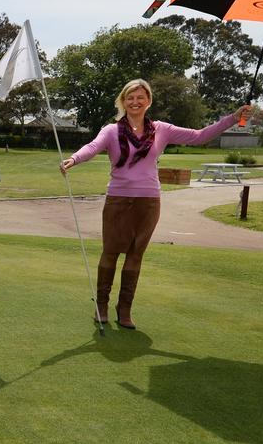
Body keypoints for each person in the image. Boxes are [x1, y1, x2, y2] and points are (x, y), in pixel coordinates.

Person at [61, 79, 250, 330]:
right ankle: (102, 306)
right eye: (130, 97)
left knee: (135, 255)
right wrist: (73, 159)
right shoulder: (111, 130)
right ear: (123, 101)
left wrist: (233, 118)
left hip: (149, 201)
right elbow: (93, 147)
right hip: (118, 199)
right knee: (110, 252)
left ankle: (125, 309)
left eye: (140, 97)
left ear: (148, 101)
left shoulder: (162, 129)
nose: (135, 102)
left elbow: (200, 136)